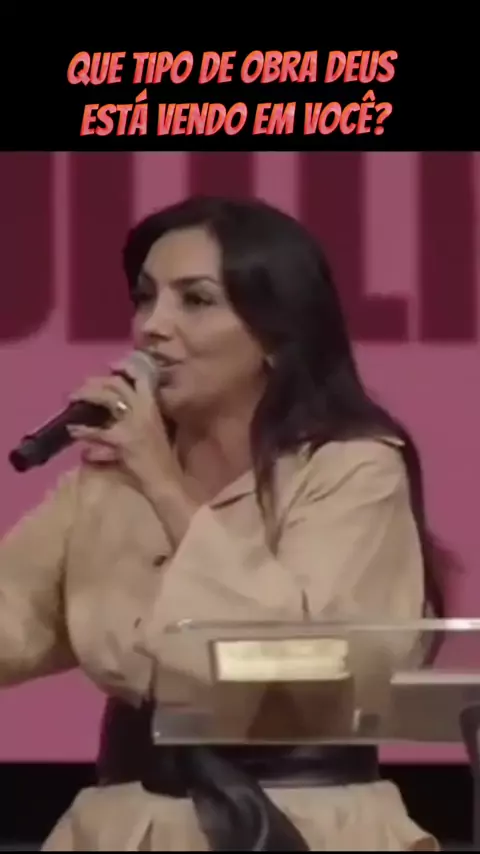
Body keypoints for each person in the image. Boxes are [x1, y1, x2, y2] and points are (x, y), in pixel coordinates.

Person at [0, 195, 443, 850]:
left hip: (305, 823)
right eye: (145, 298)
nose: (153, 326)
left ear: (276, 335)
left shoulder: (353, 469)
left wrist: (164, 484)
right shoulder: (107, 481)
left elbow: (303, 651)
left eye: (196, 301)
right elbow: (11, 620)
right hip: (130, 827)